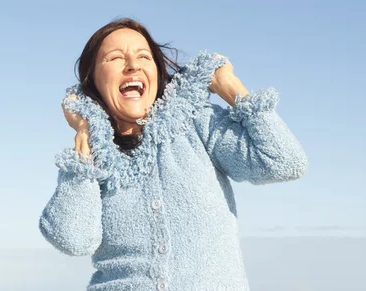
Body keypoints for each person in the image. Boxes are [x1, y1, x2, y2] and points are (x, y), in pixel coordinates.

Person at [39, 18, 308, 290]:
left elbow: (284, 162)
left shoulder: (196, 123)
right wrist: (86, 132)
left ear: (157, 73)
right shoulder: (94, 161)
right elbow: (74, 238)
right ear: (93, 81)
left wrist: (230, 85)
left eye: (143, 56)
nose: (132, 65)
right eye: (115, 57)